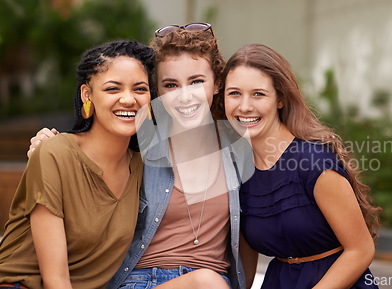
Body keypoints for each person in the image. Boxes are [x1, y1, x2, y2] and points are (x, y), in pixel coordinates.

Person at [25, 23, 251, 289]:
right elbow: (88, 153)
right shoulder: (138, 141)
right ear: (156, 91)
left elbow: (249, 234)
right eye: (170, 84)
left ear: (217, 84)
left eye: (197, 81)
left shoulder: (238, 147)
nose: (185, 95)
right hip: (141, 281)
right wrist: (47, 147)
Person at [221, 43, 382, 289]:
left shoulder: (313, 162)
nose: (244, 106)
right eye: (234, 93)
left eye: (258, 94)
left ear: (281, 99)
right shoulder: (237, 168)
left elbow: (360, 250)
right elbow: (246, 258)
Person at [0, 40, 155, 289]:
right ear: (87, 95)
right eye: (113, 89)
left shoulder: (140, 165)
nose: (129, 99)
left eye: (140, 89)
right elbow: (56, 280)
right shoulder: (54, 154)